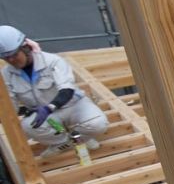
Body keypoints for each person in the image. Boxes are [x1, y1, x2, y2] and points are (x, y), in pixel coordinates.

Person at [0, 25, 108, 156]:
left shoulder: (52, 61)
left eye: (14, 54)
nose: (11, 60)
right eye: (6, 58)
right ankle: (63, 142)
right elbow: (10, 107)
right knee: (27, 126)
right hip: (46, 115)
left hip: (73, 105)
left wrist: (49, 108)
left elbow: (67, 90)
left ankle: (81, 138)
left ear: (26, 48)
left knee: (98, 124)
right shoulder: (6, 75)